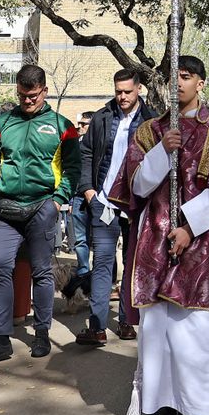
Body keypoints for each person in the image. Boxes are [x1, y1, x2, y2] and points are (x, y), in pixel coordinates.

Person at [113, 55, 209, 415]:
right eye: (172, 78)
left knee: (194, 330)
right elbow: (135, 186)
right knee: (156, 330)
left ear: (201, 83)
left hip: (199, 244)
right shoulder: (150, 131)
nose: (178, 84)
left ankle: (194, 408)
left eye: (185, 77)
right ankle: (154, 406)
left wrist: (189, 226)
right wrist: (161, 153)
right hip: (154, 238)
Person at [0, 64, 79, 367]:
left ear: (44, 90)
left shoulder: (62, 125)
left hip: (41, 207)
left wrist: (57, 201)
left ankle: (42, 332)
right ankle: (0, 340)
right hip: (3, 208)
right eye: (22, 95)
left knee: (42, 272)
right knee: (0, 270)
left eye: (33, 95)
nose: (28, 101)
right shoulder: (1, 123)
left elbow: (72, 169)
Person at [78, 69, 151, 345]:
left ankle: (127, 322)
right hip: (104, 201)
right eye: (118, 91)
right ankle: (96, 326)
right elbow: (86, 152)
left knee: (132, 265)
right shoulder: (102, 117)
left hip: (136, 204)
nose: (121, 97)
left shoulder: (151, 120)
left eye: (127, 92)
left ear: (139, 89)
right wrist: (88, 191)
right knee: (103, 265)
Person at [61, 110, 96, 302]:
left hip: (97, 198)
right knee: (80, 240)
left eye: (84, 124)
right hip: (78, 198)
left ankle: (100, 278)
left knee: (100, 241)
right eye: (80, 124)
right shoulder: (76, 144)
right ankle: (84, 274)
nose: (80, 127)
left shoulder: (100, 144)